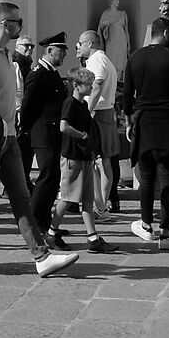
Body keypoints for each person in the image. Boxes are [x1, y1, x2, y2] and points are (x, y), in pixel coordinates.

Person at [0, 2, 78, 279]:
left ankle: (41, 256)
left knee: (21, 197)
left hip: (8, 139)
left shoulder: (6, 55)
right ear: (6, 24)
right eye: (18, 22)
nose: (21, 26)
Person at [121, 16, 169, 249]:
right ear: (165, 33)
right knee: (167, 177)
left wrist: (127, 121)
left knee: (146, 177)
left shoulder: (135, 57)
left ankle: (145, 225)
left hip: (143, 123)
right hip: (167, 123)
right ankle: (166, 233)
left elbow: (127, 94)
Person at [21, 32, 74, 247]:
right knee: (46, 177)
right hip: (43, 132)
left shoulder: (51, 73)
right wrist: (25, 128)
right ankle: (34, 221)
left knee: (52, 178)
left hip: (52, 133)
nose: (63, 56)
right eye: (60, 52)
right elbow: (28, 105)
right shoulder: (39, 73)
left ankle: (45, 221)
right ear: (50, 51)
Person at [56, 69, 111, 252]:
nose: (91, 87)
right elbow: (64, 126)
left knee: (87, 199)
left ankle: (93, 237)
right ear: (76, 85)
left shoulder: (81, 105)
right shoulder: (70, 103)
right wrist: (82, 136)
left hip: (84, 156)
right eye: (88, 84)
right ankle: (51, 231)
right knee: (67, 198)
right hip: (73, 156)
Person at [77, 30, 124, 214]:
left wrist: (87, 113)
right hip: (105, 112)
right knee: (103, 162)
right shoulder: (104, 60)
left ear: (90, 43)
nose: (79, 47)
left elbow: (95, 87)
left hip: (99, 114)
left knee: (100, 162)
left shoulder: (97, 61)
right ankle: (101, 204)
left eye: (81, 43)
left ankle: (101, 205)